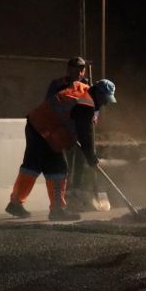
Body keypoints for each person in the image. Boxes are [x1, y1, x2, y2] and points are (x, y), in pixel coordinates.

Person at [5, 79, 117, 221]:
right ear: (99, 93)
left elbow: (72, 121)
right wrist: (91, 158)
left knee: (32, 165)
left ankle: (16, 204)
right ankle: (57, 210)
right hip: (45, 130)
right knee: (57, 169)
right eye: (105, 99)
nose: (105, 103)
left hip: (37, 125)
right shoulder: (86, 104)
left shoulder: (82, 92)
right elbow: (85, 134)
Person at [45, 57, 92, 207]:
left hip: (78, 127)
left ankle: (76, 190)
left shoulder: (87, 85)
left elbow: (93, 106)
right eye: (76, 69)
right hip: (61, 128)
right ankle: (63, 195)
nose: (79, 72)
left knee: (81, 158)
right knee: (64, 162)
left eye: (82, 69)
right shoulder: (57, 84)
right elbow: (49, 103)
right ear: (68, 69)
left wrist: (94, 116)